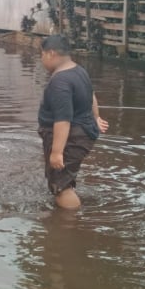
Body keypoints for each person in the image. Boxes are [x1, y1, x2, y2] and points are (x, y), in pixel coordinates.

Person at [37, 35, 109, 209]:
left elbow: (63, 119)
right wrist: (96, 117)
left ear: (51, 54)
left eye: (42, 54)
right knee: (63, 180)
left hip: (72, 137)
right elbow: (91, 95)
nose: (41, 59)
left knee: (61, 188)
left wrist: (57, 152)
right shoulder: (78, 70)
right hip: (84, 132)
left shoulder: (60, 81)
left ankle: (71, 225)